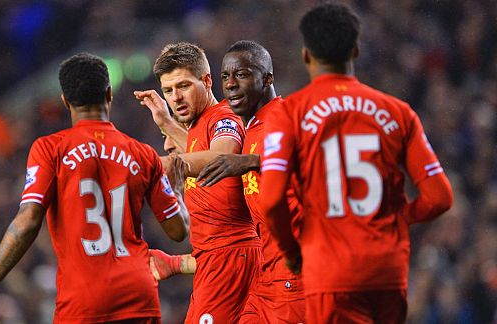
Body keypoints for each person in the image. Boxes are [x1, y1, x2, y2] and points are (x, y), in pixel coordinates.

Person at [260, 3, 454, 323]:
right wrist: (399, 216)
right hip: (388, 271)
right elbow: (440, 197)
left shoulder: (289, 113)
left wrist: (292, 251)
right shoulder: (398, 112)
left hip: (332, 271)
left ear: (306, 54)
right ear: (356, 51)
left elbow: (270, 200)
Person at [0, 53, 189, 324]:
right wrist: (178, 192)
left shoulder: (50, 149)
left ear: (65, 101)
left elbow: (27, 221)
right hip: (139, 296)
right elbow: (178, 231)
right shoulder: (143, 154)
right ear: (109, 94)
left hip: (83, 302)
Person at [134, 42, 260, 323]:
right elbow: (197, 150)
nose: (176, 97)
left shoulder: (224, 117)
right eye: (168, 91)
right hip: (216, 262)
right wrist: (166, 124)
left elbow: (222, 155)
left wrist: (159, 166)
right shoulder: (200, 128)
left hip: (230, 262)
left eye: (183, 86)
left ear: (206, 80)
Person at [195, 40, 307, 323]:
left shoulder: (286, 118)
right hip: (265, 278)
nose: (230, 84)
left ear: (267, 78)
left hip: (295, 278)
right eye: (225, 77)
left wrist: (252, 162)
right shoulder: (252, 127)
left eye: (241, 74)